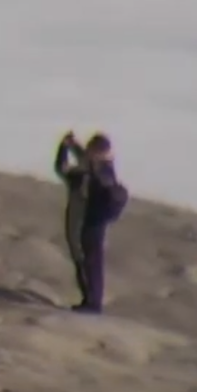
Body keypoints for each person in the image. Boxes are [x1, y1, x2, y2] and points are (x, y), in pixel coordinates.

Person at [53, 131, 128, 314]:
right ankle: (90, 301)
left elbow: (77, 169)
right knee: (85, 261)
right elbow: (64, 167)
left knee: (89, 262)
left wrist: (71, 147)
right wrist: (68, 147)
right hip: (84, 223)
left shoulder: (100, 173)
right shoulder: (89, 172)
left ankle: (92, 304)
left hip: (90, 224)